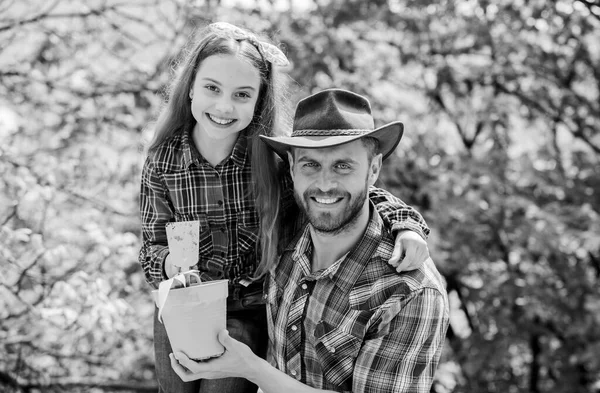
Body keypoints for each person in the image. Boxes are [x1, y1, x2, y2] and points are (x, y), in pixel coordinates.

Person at [139, 21, 432, 393]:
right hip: (182, 303)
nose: (224, 106)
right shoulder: (163, 161)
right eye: (212, 88)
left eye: (242, 95)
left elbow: (342, 194)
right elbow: (151, 247)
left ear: (258, 102)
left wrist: (406, 224)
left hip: (245, 307)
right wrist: (170, 263)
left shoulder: (270, 160)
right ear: (191, 89)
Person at [170, 89, 450, 393]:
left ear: (373, 169)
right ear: (291, 169)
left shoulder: (409, 291)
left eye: (343, 165)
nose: (325, 185)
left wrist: (250, 368)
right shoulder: (286, 228)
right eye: (310, 165)